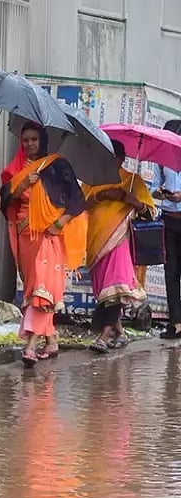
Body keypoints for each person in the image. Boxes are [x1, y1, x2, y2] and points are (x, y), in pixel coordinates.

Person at [0, 123, 86, 366]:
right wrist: (22, 186)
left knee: (42, 291)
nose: (29, 144)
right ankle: (51, 341)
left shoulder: (57, 166)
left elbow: (78, 201)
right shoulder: (17, 170)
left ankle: (30, 346)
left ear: (43, 141)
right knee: (33, 291)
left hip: (50, 235)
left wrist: (60, 223)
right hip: (25, 236)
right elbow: (4, 201)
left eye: (34, 139)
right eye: (25, 140)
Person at [81, 140, 154, 352]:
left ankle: (103, 337)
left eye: (112, 157)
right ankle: (121, 333)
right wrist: (103, 195)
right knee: (106, 291)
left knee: (116, 287)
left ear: (121, 159)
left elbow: (150, 213)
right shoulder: (93, 179)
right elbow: (82, 205)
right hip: (95, 242)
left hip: (119, 240)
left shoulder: (132, 181)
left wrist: (133, 200)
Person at [158, 119, 181, 339]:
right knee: (170, 273)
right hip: (168, 220)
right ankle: (176, 323)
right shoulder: (161, 162)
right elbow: (154, 188)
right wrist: (160, 192)